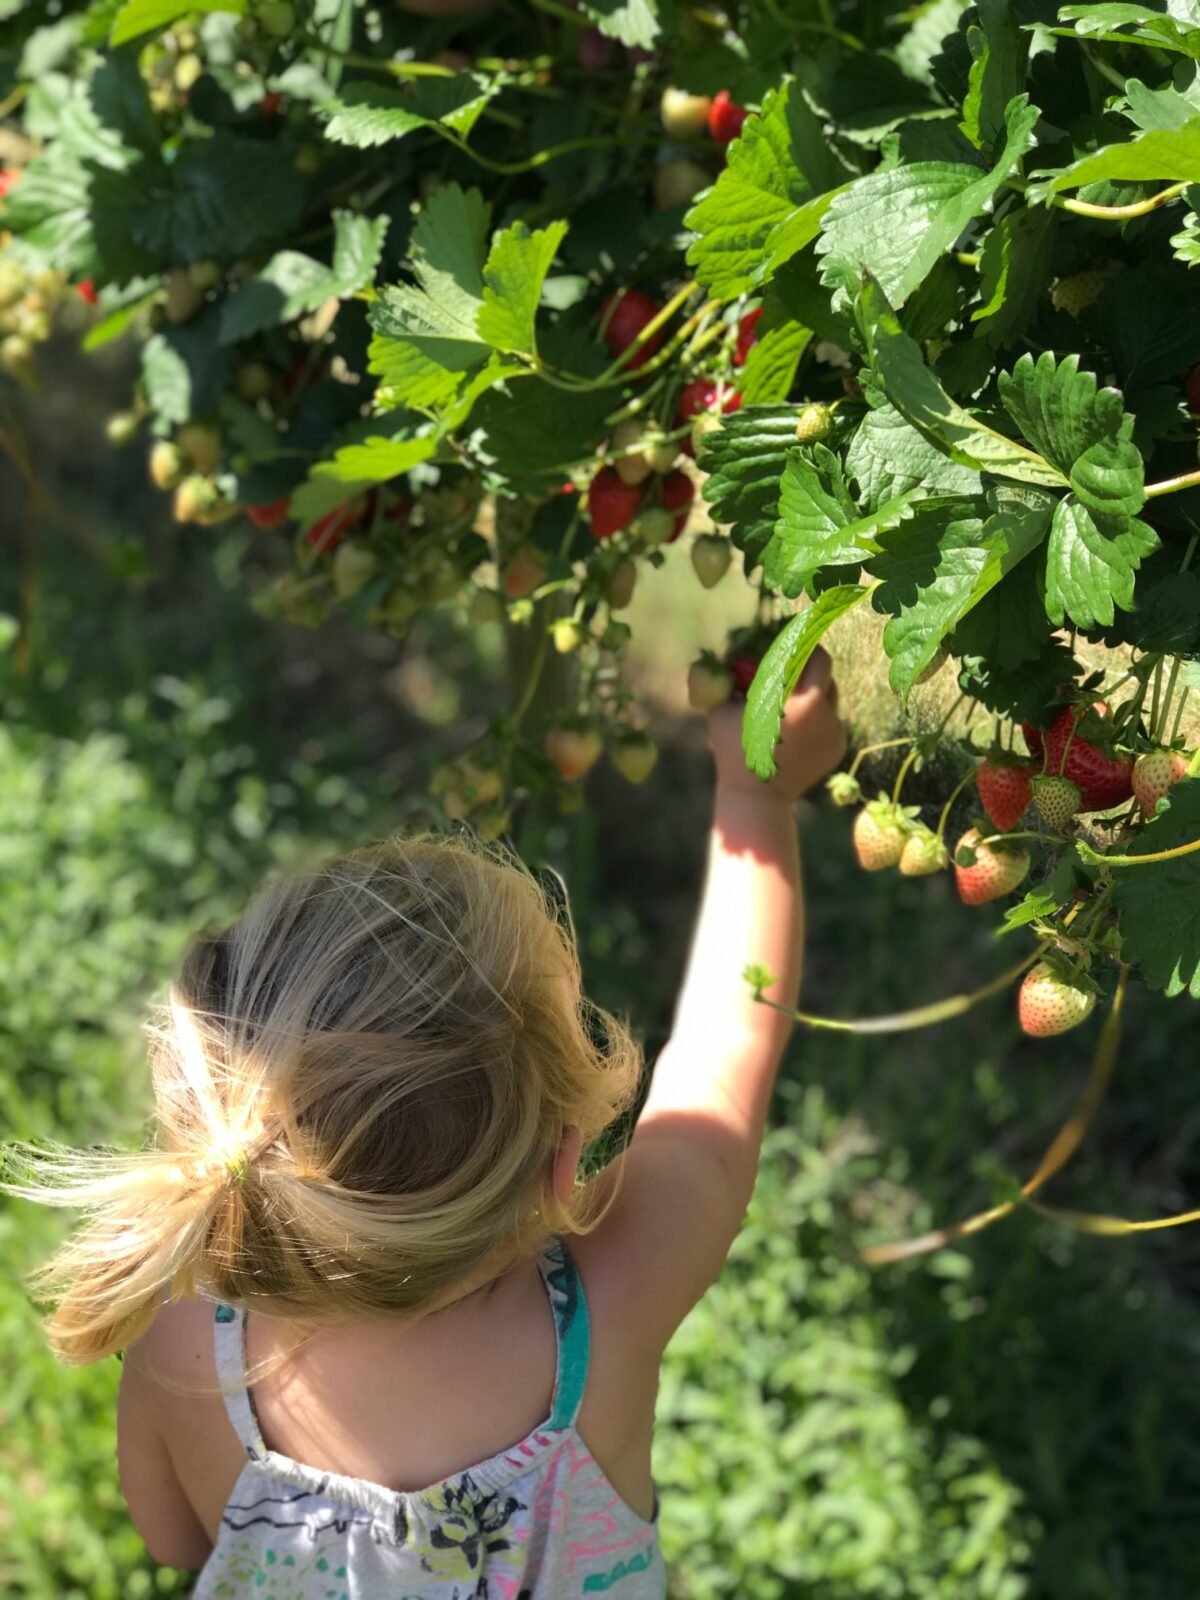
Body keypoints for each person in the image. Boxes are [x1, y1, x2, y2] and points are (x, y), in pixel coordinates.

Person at [4, 652, 844, 1598]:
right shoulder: (613, 1305)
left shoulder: (188, 1354)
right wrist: (757, 797)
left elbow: (172, 1541)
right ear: (564, 1168)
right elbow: (729, 1056)